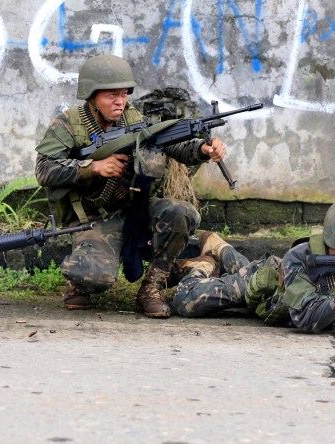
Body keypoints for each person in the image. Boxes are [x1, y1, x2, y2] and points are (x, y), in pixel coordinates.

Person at [34, 54, 225, 318]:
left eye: (124, 94)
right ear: (91, 95)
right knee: (93, 277)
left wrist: (202, 149)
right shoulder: (68, 124)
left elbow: (169, 143)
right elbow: (44, 170)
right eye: (112, 95)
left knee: (182, 212)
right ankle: (77, 279)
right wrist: (93, 168)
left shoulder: (132, 118)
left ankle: (151, 288)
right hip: (93, 217)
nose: (120, 102)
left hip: (135, 207)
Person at [173, 198, 335, 335]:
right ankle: (204, 263)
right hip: (266, 286)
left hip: (287, 280)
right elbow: (307, 319)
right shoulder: (299, 257)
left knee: (239, 265)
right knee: (187, 301)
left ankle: (220, 247)